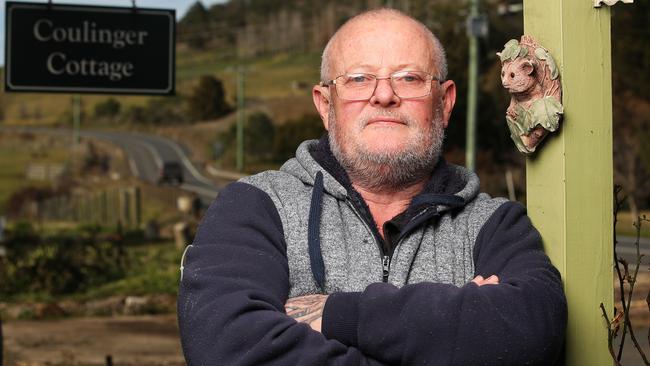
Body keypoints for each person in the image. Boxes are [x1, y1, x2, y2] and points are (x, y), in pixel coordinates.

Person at [178, 8, 567, 366]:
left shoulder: (496, 224)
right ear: (325, 104)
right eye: (359, 78)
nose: (384, 95)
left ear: (445, 102)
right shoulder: (256, 207)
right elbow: (228, 346)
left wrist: (338, 315)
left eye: (409, 78)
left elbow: (534, 331)